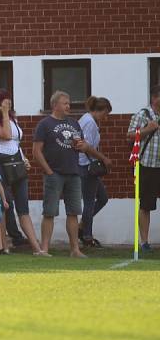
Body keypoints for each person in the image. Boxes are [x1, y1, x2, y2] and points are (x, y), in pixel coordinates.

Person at [0, 89, 44, 255]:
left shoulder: (13, 119)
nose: (8, 104)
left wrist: (24, 159)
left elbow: (16, 142)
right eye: (5, 102)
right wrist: (3, 114)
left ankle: (37, 248)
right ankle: (3, 246)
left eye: (9, 101)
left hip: (16, 162)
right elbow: (6, 135)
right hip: (1, 164)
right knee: (3, 205)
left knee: (23, 207)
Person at [33, 90, 93, 257]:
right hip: (54, 173)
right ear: (54, 105)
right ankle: (44, 249)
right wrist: (49, 171)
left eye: (69, 103)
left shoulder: (74, 123)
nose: (69, 106)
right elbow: (36, 151)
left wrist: (82, 146)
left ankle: (75, 249)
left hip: (73, 172)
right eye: (65, 103)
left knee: (73, 212)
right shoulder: (45, 124)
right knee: (50, 211)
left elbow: (82, 145)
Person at [127, 85, 160, 251]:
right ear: (155, 98)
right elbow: (130, 135)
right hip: (146, 163)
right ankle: (144, 241)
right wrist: (148, 128)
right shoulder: (142, 114)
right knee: (146, 204)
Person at [78, 96, 113, 248]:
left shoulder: (86, 119)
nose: (106, 118)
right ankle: (87, 235)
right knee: (89, 201)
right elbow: (85, 147)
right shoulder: (90, 122)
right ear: (100, 111)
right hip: (86, 166)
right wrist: (104, 158)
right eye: (105, 114)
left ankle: (82, 227)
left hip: (86, 165)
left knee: (102, 198)